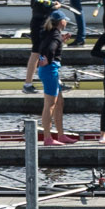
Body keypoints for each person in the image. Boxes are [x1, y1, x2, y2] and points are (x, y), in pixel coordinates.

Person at [24, 0, 62, 92]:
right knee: (37, 53)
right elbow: (44, 7)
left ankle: (52, 81)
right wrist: (56, 6)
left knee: (38, 52)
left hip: (35, 20)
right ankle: (28, 84)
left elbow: (34, 4)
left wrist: (50, 4)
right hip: (41, 23)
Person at [38, 15, 67, 143]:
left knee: (59, 102)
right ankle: (47, 137)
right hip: (50, 71)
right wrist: (47, 60)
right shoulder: (55, 35)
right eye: (65, 20)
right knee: (50, 104)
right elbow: (49, 48)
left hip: (51, 71)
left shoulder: (51, 33)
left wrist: (61, 39)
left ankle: (61, 135)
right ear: (61, 22)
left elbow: (47, 45)